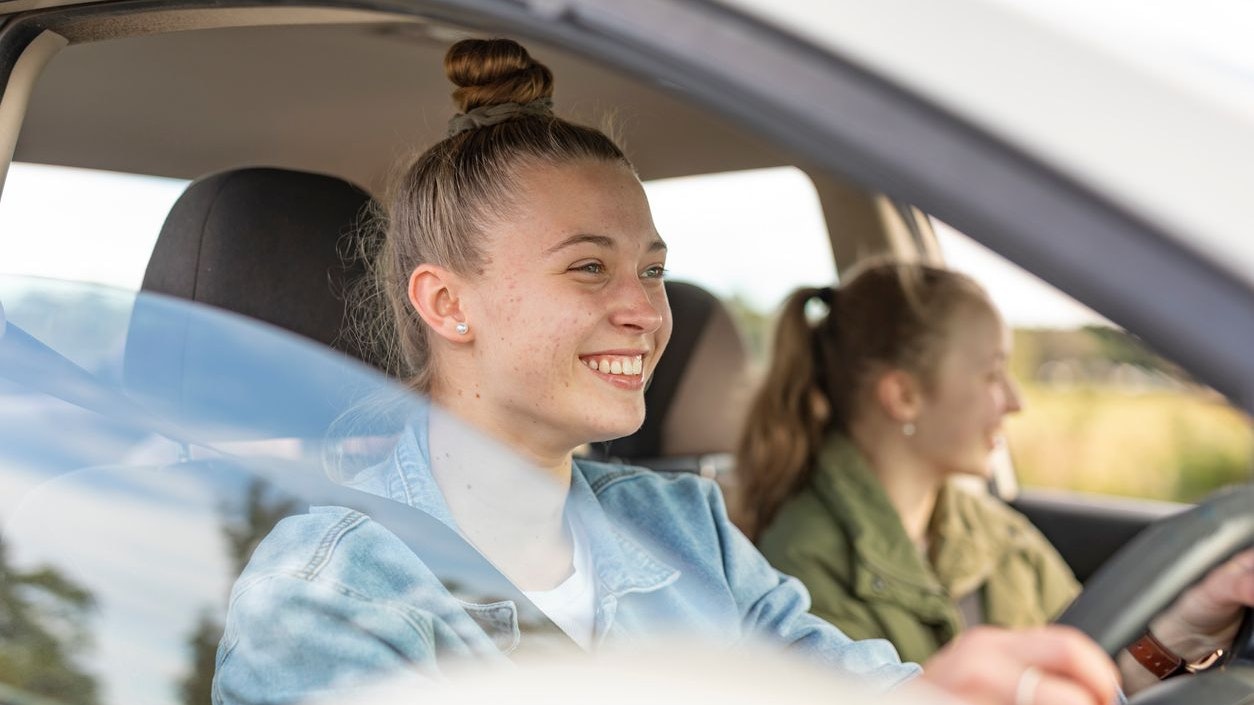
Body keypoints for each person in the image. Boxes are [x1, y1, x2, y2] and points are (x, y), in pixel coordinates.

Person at [212, 38, 1250, 705]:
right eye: (589, 268)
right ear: (447, 305)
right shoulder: (326, 590)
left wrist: (1162, 639)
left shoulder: (682, 526)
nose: (645, 308)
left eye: (652, 270)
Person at [737, 261, 1253, 688]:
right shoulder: (800, 572)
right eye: (991, 374)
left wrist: (1180, 635)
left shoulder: (997, 535)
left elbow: (1088, 677)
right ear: (904, 396)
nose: (1015, 399)